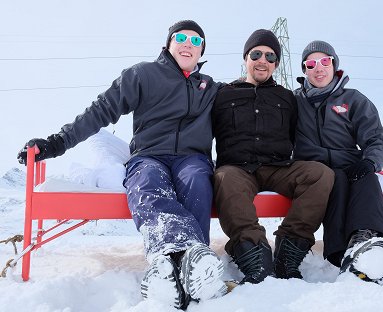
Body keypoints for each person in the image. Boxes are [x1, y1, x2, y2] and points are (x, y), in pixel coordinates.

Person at [17, 20, 227, 309]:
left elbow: (248, 109)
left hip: (193, 158)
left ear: (202, 50)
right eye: (181, 37)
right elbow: (101, 110)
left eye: (196, 40)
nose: (188, 43)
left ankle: (193, 266)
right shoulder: (143, 75)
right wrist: (56, 143)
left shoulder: (212, 88)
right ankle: (168, 258)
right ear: (168, 43)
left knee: (197, 180)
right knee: (147, 182)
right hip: (149, 155)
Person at [212, 29, 335, 285]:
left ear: (276, 64)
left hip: (279, 167)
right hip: (238, 168)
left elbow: (304, 129)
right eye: (256, 54)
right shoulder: (222, 95)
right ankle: (253, 252)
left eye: (270, 56)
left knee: (320, 174)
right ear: (246, 58)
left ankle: (289, 251)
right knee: (225, 177)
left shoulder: (287, 97)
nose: (263, 60)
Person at [293, 40, 383, 287]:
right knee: (334, 180)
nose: (318, 68)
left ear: (334, 64)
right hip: (314, 168)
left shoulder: (353, 99)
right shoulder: (295, 101)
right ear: (304, 70)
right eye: (311, 64)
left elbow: (376, 139)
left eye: (324, 61)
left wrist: (370, 161)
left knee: (365, 177)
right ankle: (345, 255)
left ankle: (369, 240)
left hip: (349, 162)